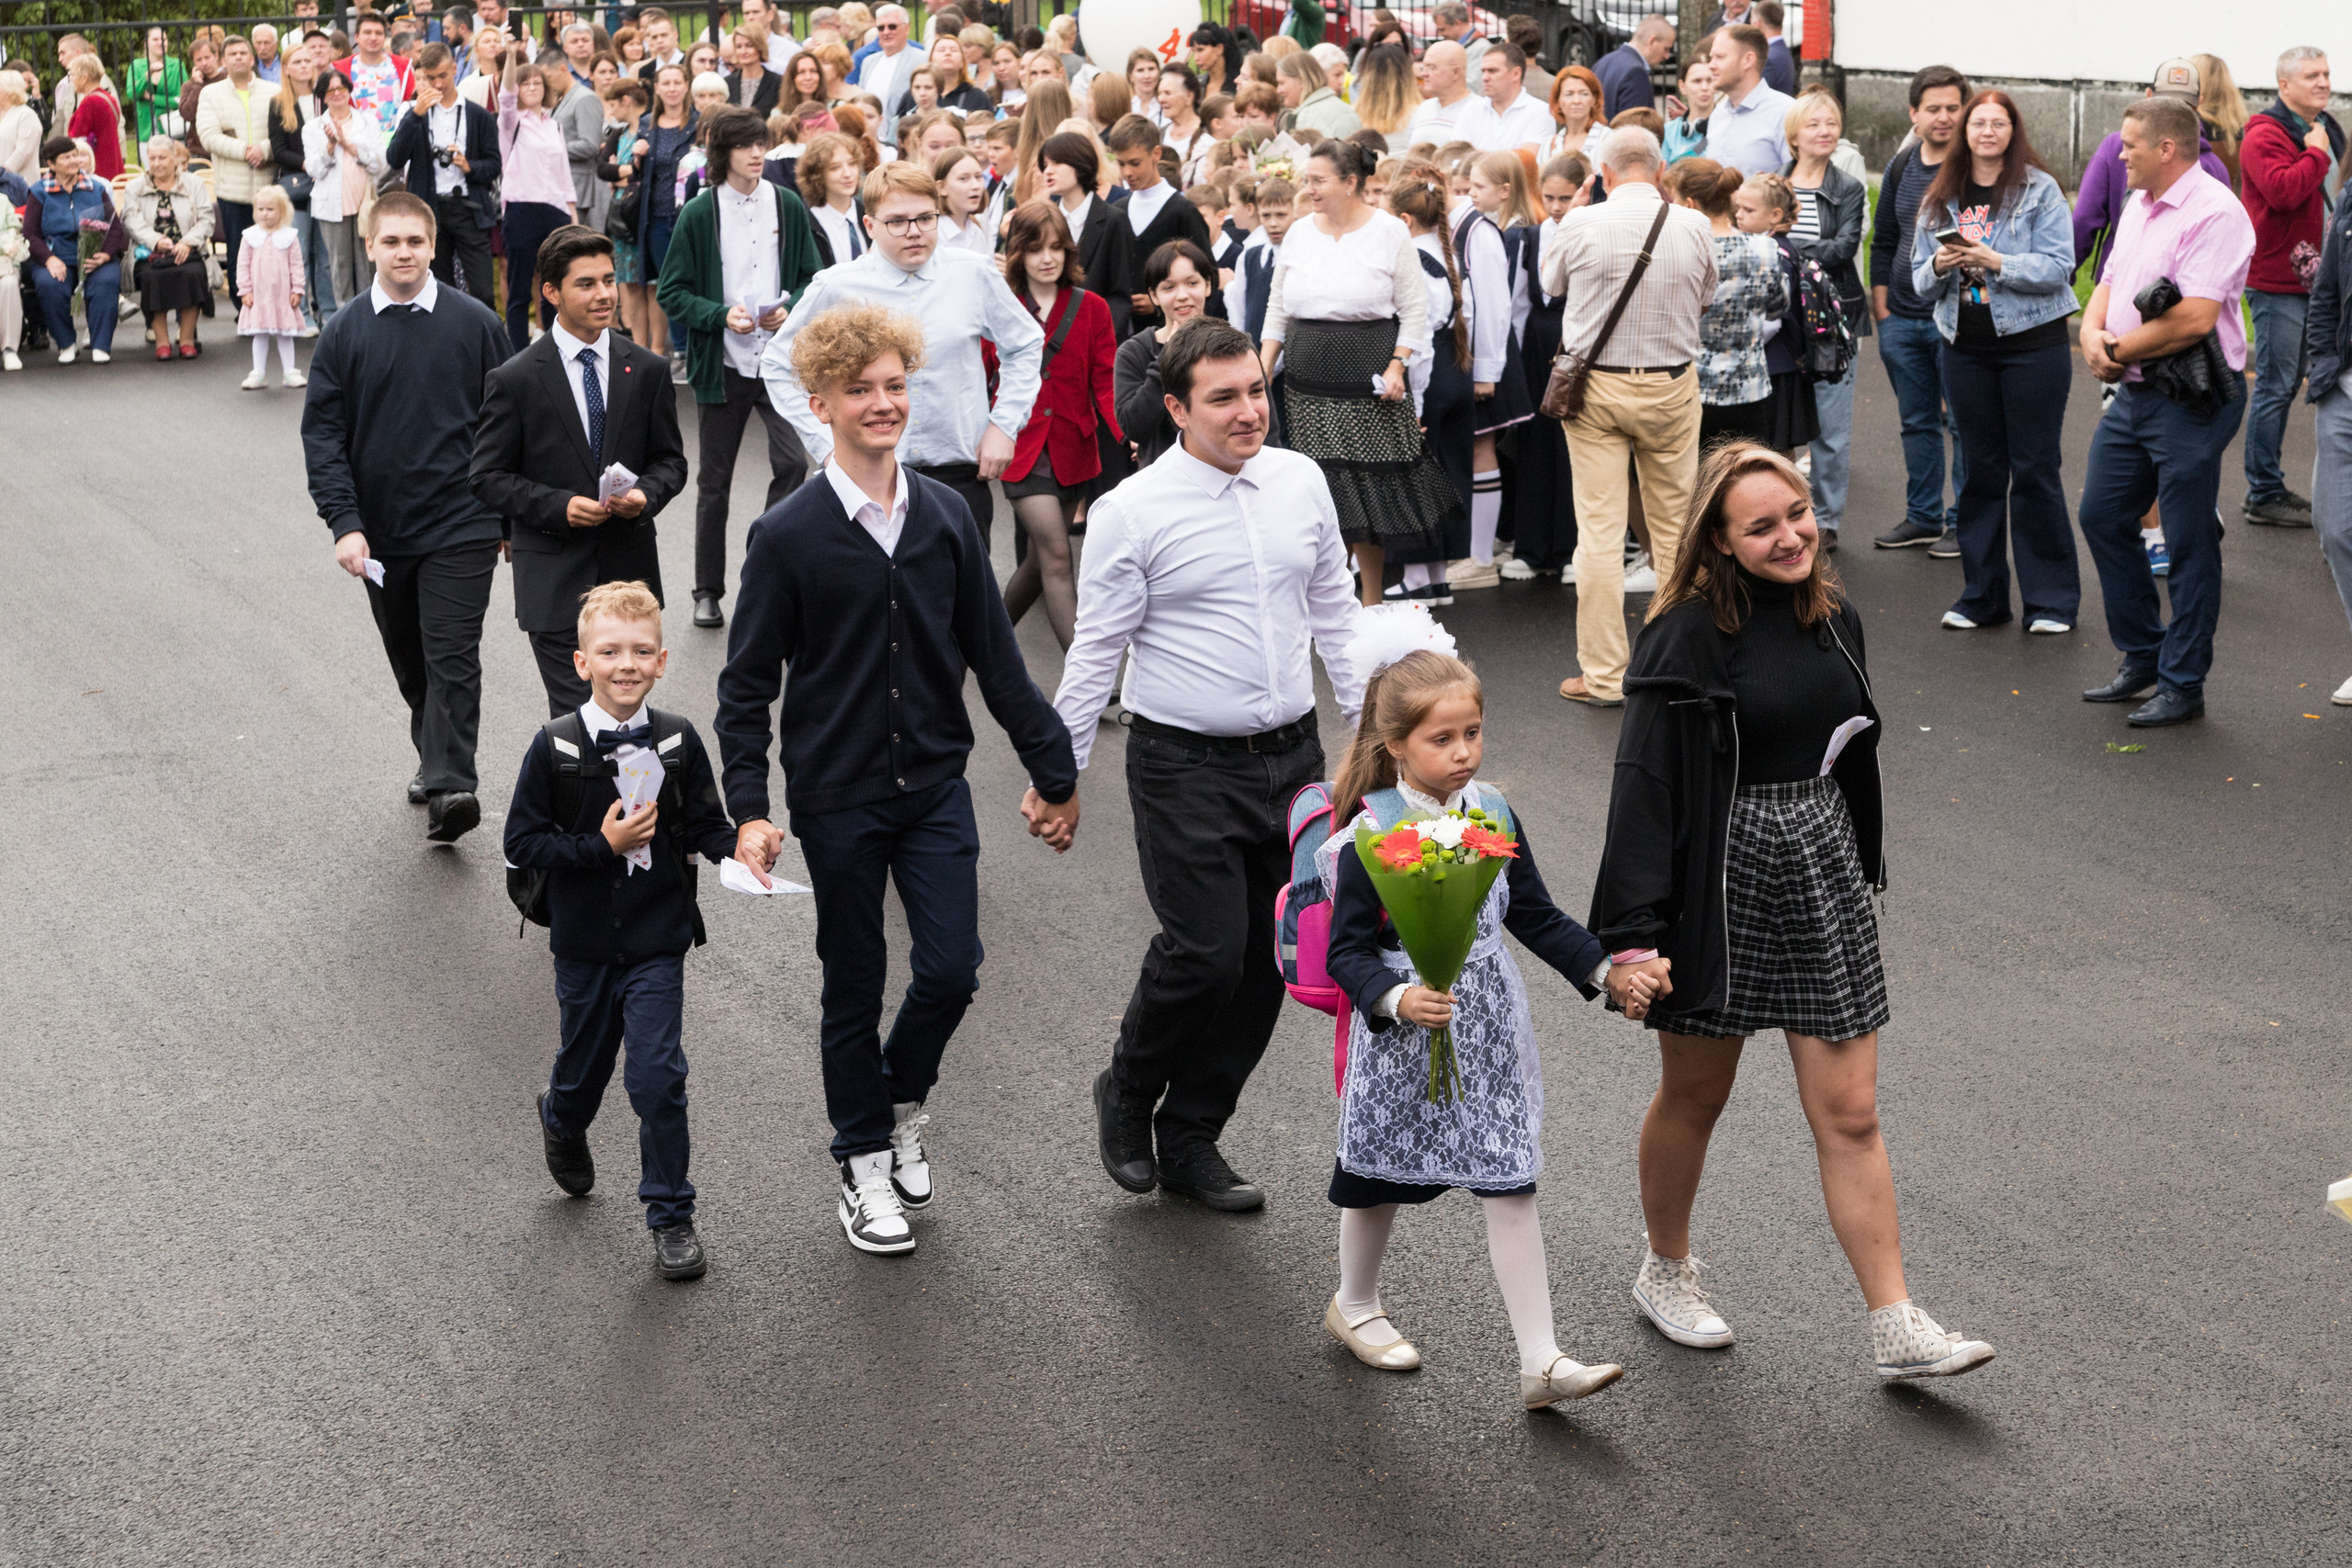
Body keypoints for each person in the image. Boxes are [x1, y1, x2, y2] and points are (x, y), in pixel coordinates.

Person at [1595, 440, 1997, 1383]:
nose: (1789, 536)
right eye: (1761, 526)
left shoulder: (1833, 614)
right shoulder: (1685, 636)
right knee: (1697, 1093)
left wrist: (1862, 860)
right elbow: (1644, 787)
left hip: (1816, 866)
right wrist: (1630, 936)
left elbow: (1851, 750)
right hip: (1716, 881)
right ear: (1718, 540)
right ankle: (1666, 1270)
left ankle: (1895, 1324)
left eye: (1798, 514)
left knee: (1851, 1112)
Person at [720, 300, 1076, 1255]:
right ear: (822, 402)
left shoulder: (949, 515)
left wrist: (1056, 770)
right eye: (862, 390)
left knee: (952, 968)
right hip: (835, 796)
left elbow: (997, 661)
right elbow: (747, 684)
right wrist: (746, 811)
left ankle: (896, 1100)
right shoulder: (788, 533)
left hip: (932, 790)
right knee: (853, 981)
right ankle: (863, 1160)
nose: (883, 404)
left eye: (895, 386)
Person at [1057, 317, 1367, 1212]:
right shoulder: (1132, 511)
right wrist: (1059, 772)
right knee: (1204, 951)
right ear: (1175, 408)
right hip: (1181, 763)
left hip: (1294, 764)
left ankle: (1191, 1133)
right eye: (1224, 398)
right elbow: (1096, 650)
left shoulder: (1301, 481)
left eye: (1255, 391)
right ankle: (1127, 1085)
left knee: (1273, 960)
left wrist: (1376, 746)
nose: (1247, 412)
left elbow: (1337, 617)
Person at [1318, 622, 1630, 1409]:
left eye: (1473, 732)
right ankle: (1355, 1303)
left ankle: (1542, 1360)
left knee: (1510, 1179)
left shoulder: (1493, 811)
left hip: (1487, 1026)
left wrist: (1604, 968)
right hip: (1404, 1033)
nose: (1463, 751)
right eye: (1442, 738)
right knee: (1376, 1175)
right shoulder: (1371, 833)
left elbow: (1535, 913)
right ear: (1395, 744)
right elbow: (1345, 952)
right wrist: (1393, 997)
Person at [507, 599, 735, 1282]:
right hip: (582, 946)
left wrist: (744, 844)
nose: (625, 664)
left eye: (640, 651)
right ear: (582, 663)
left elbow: (705, 827)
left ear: (662, 662)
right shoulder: (556, 746)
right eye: (609, 651)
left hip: (656, 942)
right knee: (585, 1067)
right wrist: (600, 845)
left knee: (659, 1077)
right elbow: (521, 842)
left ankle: (671, 1216)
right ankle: (560, 1113)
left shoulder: (677, 740)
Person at [301, 191, 511, 840]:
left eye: (415, 242)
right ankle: (432, 751)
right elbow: (324, 437)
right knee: (411, 658)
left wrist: (508, 516)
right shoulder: (343, 334)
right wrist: (345, 524)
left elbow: (511, 423)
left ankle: (452, 785)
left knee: (452, 652)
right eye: (390, 242)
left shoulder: (478, 325)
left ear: (432, 246)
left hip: (463, 522)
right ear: (369, 247)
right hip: (381, 533)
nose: (403, 253)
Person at [2075, 96, 2255, 729]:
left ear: (2167, 149)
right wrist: (2092, 337)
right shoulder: (2137, 203)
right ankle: (2145, 656)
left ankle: (2184, 682)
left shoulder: (2216, 212)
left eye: (2128, 145)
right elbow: (2107, 281)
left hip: (2194, 398)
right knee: (2101, 513)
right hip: (2136, 391)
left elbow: (2196, 317)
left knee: (2186, 543)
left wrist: (2115, 349)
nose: (2118, 154)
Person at [763, 160, 1044, 546]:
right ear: (870, 225)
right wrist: (824, 443)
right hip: (865, 474)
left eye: (925, 218)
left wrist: (1004, 425)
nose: (914, 233)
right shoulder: (838, 286)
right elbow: (778, 364)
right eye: (897, 221)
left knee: (960, 598)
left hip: (958, 474)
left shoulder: (972, 273)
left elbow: (1025, 343)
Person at [474, 225, 689, 713]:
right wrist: (559, 506)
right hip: (553, 580)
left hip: (629, 579)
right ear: (550, 292)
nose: (604, 295)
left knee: (625, 711)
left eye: (609, 281)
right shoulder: (516, 379)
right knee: (577, 718)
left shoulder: (647, 370)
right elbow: (487, 477)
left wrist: (645, 497)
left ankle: (628, 793)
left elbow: (670, 461)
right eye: (586, 284)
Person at [1541, 127, 1717, 706]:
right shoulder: (1692, 225)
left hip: (1594, 388)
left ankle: (1605, 676)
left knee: (1598, 534)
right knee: (1674, 531)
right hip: (1669, 384)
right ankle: (1681, 663)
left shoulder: (1580, 222)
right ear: (1661, 172)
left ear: (1605, 174)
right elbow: (1705, 296)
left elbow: (1550, 284)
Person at [1261, 139, 1461, 607]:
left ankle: (1370, 601)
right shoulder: (1298, 233)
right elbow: (1277, 309)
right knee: (1320, 492)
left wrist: (1398, 365)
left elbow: (1415, 312)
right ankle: (1327, 600)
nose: (1307, 189)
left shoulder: (1389, 231)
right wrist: (1261, 370)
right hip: (1307, 384)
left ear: (1351, 183)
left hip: (1368, 380)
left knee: (1368, 492)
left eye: (1317, 180)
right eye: (1306, 180)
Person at [1909, 90, 2080, 636]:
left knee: (2034, 469)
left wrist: (1994, 260)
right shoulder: (1942, 195)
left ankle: (2051, 602)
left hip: (2033, 345)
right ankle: (1982, 597)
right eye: (1977, 122)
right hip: (1965, 348)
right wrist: (1940, 260)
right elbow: (1917, 280)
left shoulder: (2039, 188)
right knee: (1981, 472)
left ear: (2013, 130)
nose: (1986, 131)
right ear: (1964, 131)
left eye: (1997, 123)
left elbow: (2059, 268)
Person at [655, 106, 823, 629]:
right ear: (721, 153)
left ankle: (769, 568)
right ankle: (707, 591)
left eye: (762, 144)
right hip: (722, 364)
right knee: (715, 482)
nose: (757, 153)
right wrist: (720, 315)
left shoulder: (788, 205)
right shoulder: (700, 213)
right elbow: (671, 292)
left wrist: (787, 309)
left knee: (794, 464)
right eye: (745, 145)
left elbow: (812, 280)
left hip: (779, 363)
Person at [996, 200, 1120, 651]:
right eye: (1034, 249)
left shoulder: (1093, 308)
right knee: (1057, 553)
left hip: (1074, 446)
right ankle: (1086, 674)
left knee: (1036, 562)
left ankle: (978, 642)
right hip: (1021, 447)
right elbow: (982, 377)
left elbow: (1105, 381)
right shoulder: (1001, 306)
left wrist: (1126, 435)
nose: (1047, 258)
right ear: (1018, 254)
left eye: (1056, 248)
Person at [2237, 46, 2342, 528]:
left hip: (2320, 281)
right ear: (2284, 85)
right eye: (2310, 75)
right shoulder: (2264, 134)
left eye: (2325, 73)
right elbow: (2282, 191)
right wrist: (2317, 154)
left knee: (2295, 380)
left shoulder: (2326, 126)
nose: (2323, 82)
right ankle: (2262, 492)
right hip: (2277, 280)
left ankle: (2270, 485)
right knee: (2275, 387)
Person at [1868, 64, 1970, 553]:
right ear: (1915, 114)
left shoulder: (1975, 169)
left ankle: (1963, 522)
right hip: (1903, 322)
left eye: (1954, 108)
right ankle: (1924, 517)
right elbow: (1884, 239)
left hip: (1955, 322)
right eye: (1934, 109)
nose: (1945, 117)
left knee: (1963, 424)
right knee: (1917, 423)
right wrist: (1883, 313)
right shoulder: (1903, 165)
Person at [1781, 92, 1868, 549]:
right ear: (1795, 135)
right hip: (1781, 322)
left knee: (1831, 429)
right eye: (1814, 124)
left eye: (1832, 123)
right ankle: (1780, 512)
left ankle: (1826, 519)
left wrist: (1787, 254)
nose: (1825, 131)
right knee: (1780, 425)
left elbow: (1844, 248)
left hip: (1835, 320)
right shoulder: (1773, 183)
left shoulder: (1848, 188)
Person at [385, 43, 503, 310]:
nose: (437, 84)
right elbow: (394, 159)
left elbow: (494, 166)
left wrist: (468, 166)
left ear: (454, 69)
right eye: (430, 77)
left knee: (483, 291)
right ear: (422, 76)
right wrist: (416, 114)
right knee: (438, 292)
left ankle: (487, 347)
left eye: (442, 76)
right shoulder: (413, 112)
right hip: (430, 209)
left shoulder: (478, 115)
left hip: (469, 209)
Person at [492, 59, 578, 351]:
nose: (532, 87)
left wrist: (573, 216)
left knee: (554, 285)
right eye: (525, 83)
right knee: (520, 287)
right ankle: (517, 352)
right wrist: (513, 51)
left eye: (537, 82)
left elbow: (564, 174)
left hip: (555, 211)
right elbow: (504, 98)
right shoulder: (511, 121)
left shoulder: (554, 125)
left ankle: (554, 348)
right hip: (522, 209)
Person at [1730, 174, 1818, 457]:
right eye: (1738, 208)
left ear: (1775, 215)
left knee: (1773, 452)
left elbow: (1771, 320)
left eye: (1749, 210)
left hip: (1775, 369)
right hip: (1776, 365)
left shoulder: (1776, 254)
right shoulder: (1767, 247)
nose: (1739, 216)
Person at [1105, 114, 1215, 334]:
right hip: (1124, 336)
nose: (1127, 172)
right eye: (1121, 164)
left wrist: (1158, 302)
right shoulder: (1117, 210)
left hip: (1175, 335)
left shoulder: (1183, 212)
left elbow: (1207, 274)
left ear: (1156, 153)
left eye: (1135, 163)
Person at [1114, 237, 1216, 468]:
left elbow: (1264, 424)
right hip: (1161, 479)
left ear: (1207, 285)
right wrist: (1167, 357)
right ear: (1153, 296)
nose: (1182, 295)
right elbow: (1133, 426)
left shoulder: (1235, 345)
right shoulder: (1134, 352)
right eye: (1169, 287)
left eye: (1192, 283)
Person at [2308, 177, 2352, 704]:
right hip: (2342, 391)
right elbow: (2325, 293)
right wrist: (2324, 364)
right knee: (2335, 525)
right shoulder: (2350, 197)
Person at [25, 137, 124, 365]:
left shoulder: (94, 187)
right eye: (66, 157)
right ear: (51, 164)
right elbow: (30, 234)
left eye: (75, 155)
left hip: (95, 256)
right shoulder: (39, 192)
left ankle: (100, 344)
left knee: (106, 282)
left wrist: (107, 255)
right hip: (57, 257)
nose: (74, 160)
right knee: (50, 285)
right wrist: (49, 259)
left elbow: (115, 227)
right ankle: (66, 343)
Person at [199, 38, 278, 306]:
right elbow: (209, 136)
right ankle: (242, 308)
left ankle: (270, 306)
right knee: (239, 252)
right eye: (232, 53)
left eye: (243, 52)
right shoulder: (211, 94)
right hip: (232, 189)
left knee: (271, 251)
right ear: (223, 60)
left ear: (252, 58)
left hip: (268, 187)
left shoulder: (273, 91)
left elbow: (283, 132)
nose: (238, 57)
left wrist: (264, 150)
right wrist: (246, 150)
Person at [124, 137, 215, 360]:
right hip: (150, 253)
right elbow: (131, 221)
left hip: (188, 250)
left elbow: (206, 219)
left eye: (162, 157)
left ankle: (186, 340)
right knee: (152, 277)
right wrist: (155, 241)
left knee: (193, 273)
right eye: (152, 158)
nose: (156, 163)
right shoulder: (134, 187)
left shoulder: (194, 183)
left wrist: (187, 242)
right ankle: (162, 342)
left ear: (175, 159)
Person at [1040, 130, 1134, 341]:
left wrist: (1102, 341)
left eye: (1056, 163)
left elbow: (1119, 295)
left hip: (1095, 338)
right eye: (1045, 164)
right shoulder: (1044, 218)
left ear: (1080, 164)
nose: (1048, 171)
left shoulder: (1113, 219)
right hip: (1047, 338)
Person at [305, 69, 387, 311]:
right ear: (323, 96)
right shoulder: (312, 128)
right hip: (332, 205)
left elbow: (378, 163)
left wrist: (350, 147)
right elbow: (314, 171)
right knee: (338, 265)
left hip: (364, 203)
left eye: (342, 88)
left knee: (367, 264)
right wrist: (330, 147)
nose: (337, 94)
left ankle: (371, 314)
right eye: (331, 90)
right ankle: (345, 317)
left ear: (349, 90)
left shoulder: (368, 121)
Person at [236, 185, 307, 389]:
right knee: (260, 333)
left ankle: (289, 372)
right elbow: (242, 265)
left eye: (270, 209)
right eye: (261, 209)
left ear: (282, 211)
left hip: (282, 295)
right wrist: (245, 290)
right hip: (259, 296)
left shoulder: (290, 236)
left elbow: (297, 264)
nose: (265, 214)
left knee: (285, 334)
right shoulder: (249, 236)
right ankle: (258, 372)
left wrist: (297, 289)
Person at [1702, 25, 1792, 175]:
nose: (1711, 65)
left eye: (1720, 57)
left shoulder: (1785, 113)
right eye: (1711, 57)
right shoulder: (1718, 114)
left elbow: (1799, 184)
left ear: (1748, 60)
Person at [1455, 42, 1547, 153]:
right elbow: (1457, 156)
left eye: (1492, 71)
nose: (1485, 77)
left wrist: (1475, 153)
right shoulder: (1471, 110)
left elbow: (1527, 160)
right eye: (1483, 71)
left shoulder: (1539, 111)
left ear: (1516, 74)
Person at [853, 4, 921, 146]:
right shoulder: (868, 62)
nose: (886, 32)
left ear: (906, 28)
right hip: (870, 143)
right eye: (881, 28)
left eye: (892, 26)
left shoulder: (921, 59)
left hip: (902, 143)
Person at [338, 14, 415, 138]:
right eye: (367, 32)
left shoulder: (404, 67)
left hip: (397, 143)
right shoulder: (341, 69)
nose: (373, 37)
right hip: (357, 143)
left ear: (385, 37)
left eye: (378, 33)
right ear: (357, 37)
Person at [796, 129, 864, 265]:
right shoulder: (808, 224)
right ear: (817, 175)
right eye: (835, 167)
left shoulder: (869, 213)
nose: (847, 173)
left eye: (852, 163)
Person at [1596, 15, 1672, 118]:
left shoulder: (1603, 62)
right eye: (1666, 49)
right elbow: (1636, 127)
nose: (1667, 56)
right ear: (1652, 41)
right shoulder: (1636, 73)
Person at [62, 55, 122, 179]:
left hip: (97, 168)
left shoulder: (90, 102)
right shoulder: (108, 97)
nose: (71, 80)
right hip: (113, 163)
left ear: (84, 78)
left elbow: (77, 137)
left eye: (72, 75)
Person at [126, 28, 187, 148]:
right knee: (150, 167)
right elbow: (132, 94)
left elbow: (181, 101)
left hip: (173, 131)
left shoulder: (176, 65)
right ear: (145, 44)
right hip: (146, 132)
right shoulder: (137, 65)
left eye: (164, 39)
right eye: (155, 39)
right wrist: (148, 75)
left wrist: (151, 97)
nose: (161, 42)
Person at [1279, 51, 1359, 141]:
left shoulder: (1308, 116)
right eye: (1337, 75)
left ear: (1301, 81)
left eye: (1282, 83)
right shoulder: (1347, 109)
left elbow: (1320, 154)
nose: (1278, 90)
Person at [1408, 41, 1476, 145]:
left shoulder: (1478, 110)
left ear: (1455, 72)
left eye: (1432, 67)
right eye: (1424, 67)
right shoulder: (1423, 109)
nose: (1424, 74)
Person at [1539, 65, 1607, 165]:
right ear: (1558, 101)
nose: (1576, 101)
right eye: (1569, 94)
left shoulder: (1608, 140)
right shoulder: (1549, 145)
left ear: (1594, 99)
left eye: (1584, 94)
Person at [1663, 55, 1713, 164]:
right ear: (1682, 86)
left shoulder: (1727, 127)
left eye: (1710, 80)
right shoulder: (1669, 131)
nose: (1704, 87)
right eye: (1697, 81)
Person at [1431, 2, 1488, 73]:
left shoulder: (1481, 48)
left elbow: (1472, 82)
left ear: (1458, 23)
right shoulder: (1456, 45)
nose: (1440, 34)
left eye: (1443, 29)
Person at [1754, 0, 1796, 95]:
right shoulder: (1781, 49)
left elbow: (1756, 94)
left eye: (1752, 22)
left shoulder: (1768, 58)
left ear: (1758, 23)